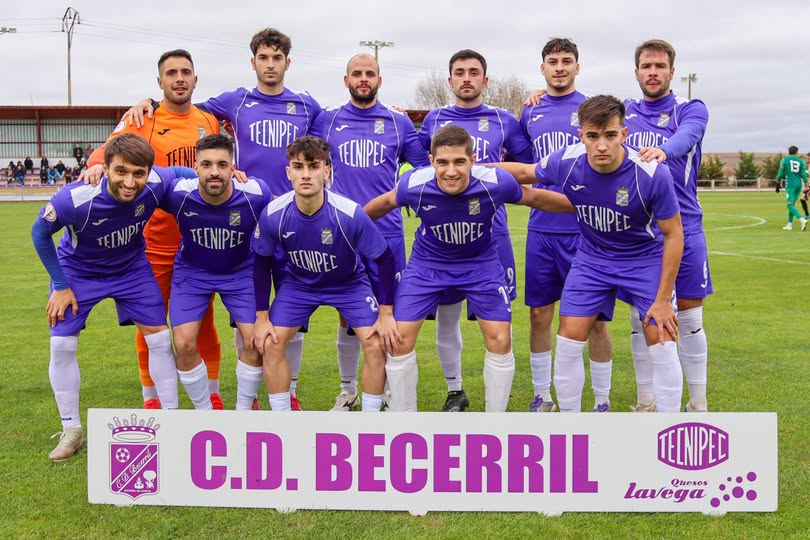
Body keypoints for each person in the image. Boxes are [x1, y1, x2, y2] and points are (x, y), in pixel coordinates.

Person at [126, 28, 321, 410]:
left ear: (287, 63)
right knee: (234, 329)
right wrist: (149, 101)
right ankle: (232, 405)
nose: (270, 64)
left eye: (276, 58)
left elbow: (337, 122)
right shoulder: (234, 101)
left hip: (289, 225)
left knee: (290, 317)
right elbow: (180, 107)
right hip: (237, 233)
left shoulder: (306, 105)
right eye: (263, 58)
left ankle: (288, 392)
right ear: (253, 62)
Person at [494, 95, 684, 413]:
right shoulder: (567, 161)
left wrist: (663, 300)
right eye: (593, 136)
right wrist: (474, 170)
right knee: (568, 341)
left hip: (643, 260)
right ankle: (572, 427)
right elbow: (526, 172)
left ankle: (669, 432)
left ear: (624, 134)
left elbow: (674, 234)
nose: (601, 146)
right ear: (581, 136)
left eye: (610, 135)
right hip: (592, 260)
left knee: (662, 341)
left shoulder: (651, 174)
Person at [365, 125, 573, 412]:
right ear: (432, 161)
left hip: (481, 265)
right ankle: (405, 421)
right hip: (428, 266)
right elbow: (384, 203)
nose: (451, 171)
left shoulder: (495, 181)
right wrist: (349, 230)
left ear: (473, 160)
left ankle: (493, 424)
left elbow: (536, 198)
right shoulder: (414, 183)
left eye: (459, 162)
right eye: (443, 163)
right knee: (398, 340)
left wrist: (583, 206)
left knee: (501, 338)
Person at [31, 133, 197, 462]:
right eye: (121, 171)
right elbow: (40, 233)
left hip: (131, 271)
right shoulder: (74, 199)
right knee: (62, 344)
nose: (130, 181)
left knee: (161, 341)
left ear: (149, 171)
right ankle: (72, 431)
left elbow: (182, 174)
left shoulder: (155, 182)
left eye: (139, 173)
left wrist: (224, 172)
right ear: (104, 168)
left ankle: (171, 423)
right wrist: (60, 285)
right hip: (79, 274)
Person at [84, 49, 224, 410]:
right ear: (159, 81)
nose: (179, 78)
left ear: (195, 80)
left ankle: (211, 394)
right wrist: (96, 166)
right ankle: (152, 399)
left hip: (198, 243)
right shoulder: (143, 117)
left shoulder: (208, 121)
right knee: (149, 323)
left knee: (202, 321)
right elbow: (106, 151)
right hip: (154, 243)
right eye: (172, 73)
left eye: (186, 72)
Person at [310, 53, 429, 411]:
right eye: (357, 74)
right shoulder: (327, 120)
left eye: (370, 74)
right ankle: (348, 392)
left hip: (387, 232)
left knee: (389, 314)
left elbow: (421, 166)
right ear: (345, 80)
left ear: (380, 79)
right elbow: (309, 162)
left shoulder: (398, 121)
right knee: (348, 314)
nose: (364, 79)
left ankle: (390, 393)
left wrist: (402, 192)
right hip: (342, 232)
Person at [417, 49, 533, 412]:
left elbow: (527, 165)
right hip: (442, 236)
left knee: (498, 319)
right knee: (447, 316)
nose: (466, 78)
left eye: (474, 72)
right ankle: (455, 390)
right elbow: (422, 166)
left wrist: (486, 169)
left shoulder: (504, 120)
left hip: (492, 234)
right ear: (450, 80)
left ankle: (497, 403)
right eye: (459, 72)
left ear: (486, 79)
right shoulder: (433, 119)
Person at [252, 136, 400, 412]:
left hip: (349, 284)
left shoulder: (349, 213)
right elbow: (261, 262)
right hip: (299, 286)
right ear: (288, 172)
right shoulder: (274, 213)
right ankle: (282, 422)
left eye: (314, 166)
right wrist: (261, 317)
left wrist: (387, 312)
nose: (306, 174)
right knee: (270, 343)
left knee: (376, 344)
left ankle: (370, 421)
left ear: (327, 171)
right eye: (298, 167)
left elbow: (384, 258)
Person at [519, 38, 613, 413]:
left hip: (586, 232)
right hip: (542, 228)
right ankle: (543, 396)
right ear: (542, 68)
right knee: (540, 314)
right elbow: (524, 166)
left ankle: (602, 401)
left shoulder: (592, 109)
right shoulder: (530, 111)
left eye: (567, 61)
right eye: (552, 62)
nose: (559, 67)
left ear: (578, 67)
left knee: (595, 322)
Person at [624, 39, 711, 413]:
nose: (653, 72)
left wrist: (664, 150)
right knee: (640, 318)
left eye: (660, 66)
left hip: (684, 227)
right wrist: (537, 95)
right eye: (647, 66)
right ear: (637, 72)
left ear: (672, 72)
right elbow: (584, 120)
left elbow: (688, 136)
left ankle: (698, 404)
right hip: (638, 234)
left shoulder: (690, 109)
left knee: (690, 320)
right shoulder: (623, 112)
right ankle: (646, 400)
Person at [161, 134, 273, 410]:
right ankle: (205, 413)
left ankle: (243, 412)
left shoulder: (256, 194)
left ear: (233, 168)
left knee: (256, 341)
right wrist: (94, 168)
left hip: (241, 272)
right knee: (184, 344)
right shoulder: (177, 193)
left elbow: (283, 219)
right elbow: (143, 174)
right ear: (195, 167)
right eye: (207, 164)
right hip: (193, 272)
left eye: (223, 165)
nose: (214, 172)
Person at [775, 145, 808, 230]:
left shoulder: (784, 160)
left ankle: (802, 220)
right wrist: (806, 183)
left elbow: (780, 172)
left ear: (789, 152)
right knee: (792, 204)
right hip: (798, 185)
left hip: (790, 185)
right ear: (797, 152)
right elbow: (803, 174)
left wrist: (777, 181)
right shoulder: (801, 161)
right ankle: (789, 224)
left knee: (789, 205)